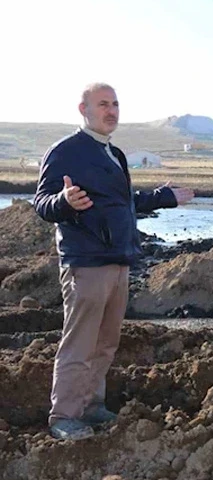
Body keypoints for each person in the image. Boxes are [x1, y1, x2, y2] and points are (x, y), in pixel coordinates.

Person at [33, 83, 195, 440]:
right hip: (86, 264)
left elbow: (122, 203)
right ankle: (64, 416)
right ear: (83, 109)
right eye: (103, 104)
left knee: (106, 342)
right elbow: (41, 203)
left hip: (119, 259)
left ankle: (91, 406)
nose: (111, 110)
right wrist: (63, 201)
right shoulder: (66, 152)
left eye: (115, 104)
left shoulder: (114, 154)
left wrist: (163, 197)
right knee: (79, 343)